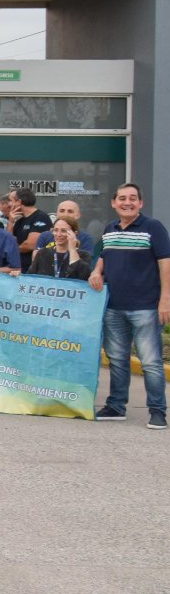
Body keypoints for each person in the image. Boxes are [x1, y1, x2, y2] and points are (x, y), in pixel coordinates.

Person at [88, 183, 170, 428]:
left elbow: (165, 263)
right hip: (113, 306)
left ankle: (157, 411)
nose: (127, 202)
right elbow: (105, 255)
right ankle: (116, 406)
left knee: (151, 362)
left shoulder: (153, 227)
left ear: (140, 203)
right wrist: (96, 271)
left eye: (133, 198)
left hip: (146, 307)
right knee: (117, 359)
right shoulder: (110, 229)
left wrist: (165, 300)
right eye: (122, 198)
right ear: (113, 203)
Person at [8, 187, 53, 272]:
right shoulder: (19, 221)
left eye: (11, 201)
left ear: (19, 202)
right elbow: (9, 241)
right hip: (19, 269)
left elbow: (30, 245)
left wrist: (13, 251)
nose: (9, 204)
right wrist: (10, 222)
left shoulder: (41, 217)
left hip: (34, 270)